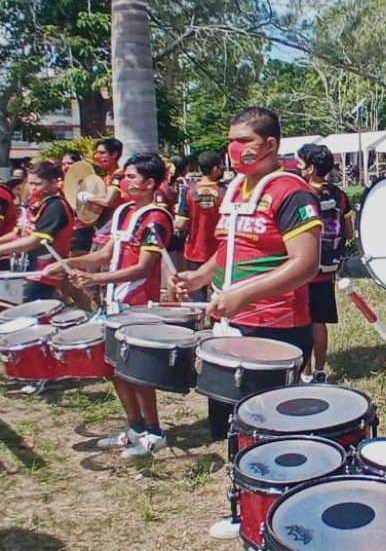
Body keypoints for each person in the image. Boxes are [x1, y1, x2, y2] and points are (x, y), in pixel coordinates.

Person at [170, 107, 322, 541]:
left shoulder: (292, 193)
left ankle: (283, 509)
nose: (233, 150)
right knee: (232, 427)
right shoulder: (236, 188)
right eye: (231, 141)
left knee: (269, 428)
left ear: (270, 144)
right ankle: (244, 508)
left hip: (274, 326)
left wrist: (243, 295)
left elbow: (305, 264)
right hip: (230, 322)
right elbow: (233, 247)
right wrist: (201, 276)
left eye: (244, 142)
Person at [44, 153, 174, 458]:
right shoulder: (124, 212)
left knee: (137, 373)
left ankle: (155, 432)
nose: (123, 182)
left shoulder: (156, 218)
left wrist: (93, 279)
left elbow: (143, 268)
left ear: (150, 183)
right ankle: (135, 427)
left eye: (130, 177)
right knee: (115, 370)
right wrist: (68, 263)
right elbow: (104, 255)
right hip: (114, 304)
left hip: (139, 306)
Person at [296, 143, 353, 384]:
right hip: (327, 271)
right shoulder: (339, 195)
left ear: (310, 168)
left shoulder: (301, 194)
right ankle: (320, 370)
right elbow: (349, 232)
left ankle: (304, 372)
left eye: (300, 163)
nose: (297, 167)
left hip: (301, 271)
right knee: (319, 322)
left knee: (302, 322)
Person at [0, 161, 75, 303]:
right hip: (25, 270)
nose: (33, 188)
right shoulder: (36, 203)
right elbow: (19, 234)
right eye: (30, 183)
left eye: (38, 184)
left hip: (43, 274)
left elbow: (33, 241)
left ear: (53, 182)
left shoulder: (56, 206)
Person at [175, 151, 225, 302]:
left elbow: (181, 223)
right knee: (220, 295)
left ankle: (198, 324)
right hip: (219, 251)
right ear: (215, 169)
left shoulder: (190, 191)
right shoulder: (225, 191)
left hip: (194, 250)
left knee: (196, 297)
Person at [80, 137, 127, 248]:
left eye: (102, 153)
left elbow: (107, 201)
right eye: (96, 153)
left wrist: (86, 197)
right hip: (103, 227)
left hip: (113, 229)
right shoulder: (106, 178)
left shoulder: (119, 175)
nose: (97, 157)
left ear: (114, 154)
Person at [60, 151, 95, 258]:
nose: (66, 167)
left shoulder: (87, 184)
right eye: (63, 164)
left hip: (81, 229)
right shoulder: (58, 183)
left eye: (69, 163)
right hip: (64, 230)